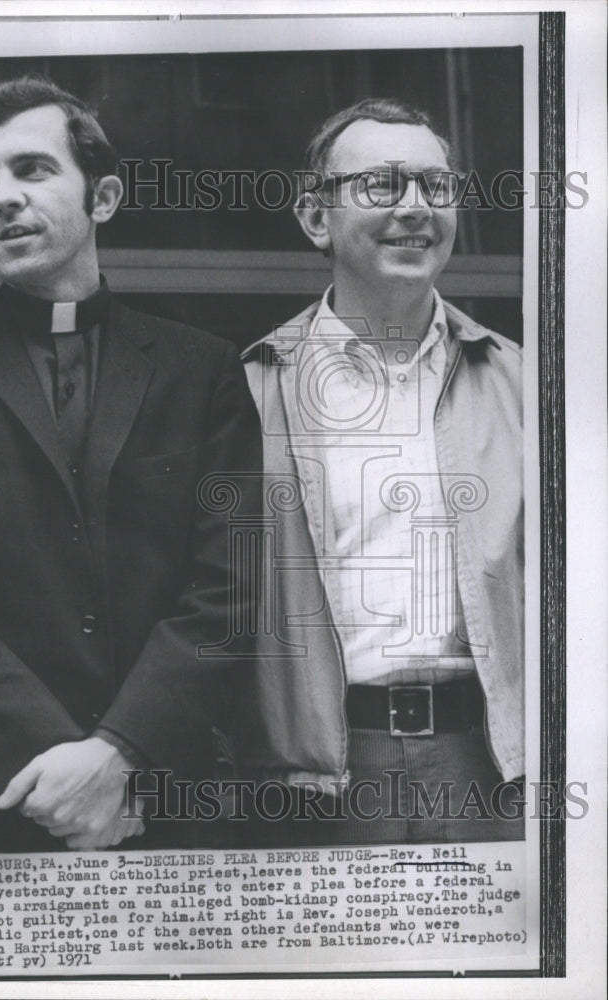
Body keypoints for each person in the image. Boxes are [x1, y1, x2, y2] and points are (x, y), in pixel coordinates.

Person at [0, 75, 262, 854]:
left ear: (105, 197)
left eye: (32, 169)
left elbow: (231, 587)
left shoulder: (202, 371)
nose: (2, 198)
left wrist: (120, 752)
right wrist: (60, 766)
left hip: (162, 799)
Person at [238, 98, 524, 843]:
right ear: (313, 217)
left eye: (434, 186)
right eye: (381, 185)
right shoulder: (250, 389)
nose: (414, 208)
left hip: (490, 764)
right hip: (313, 775)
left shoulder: (525, 386)